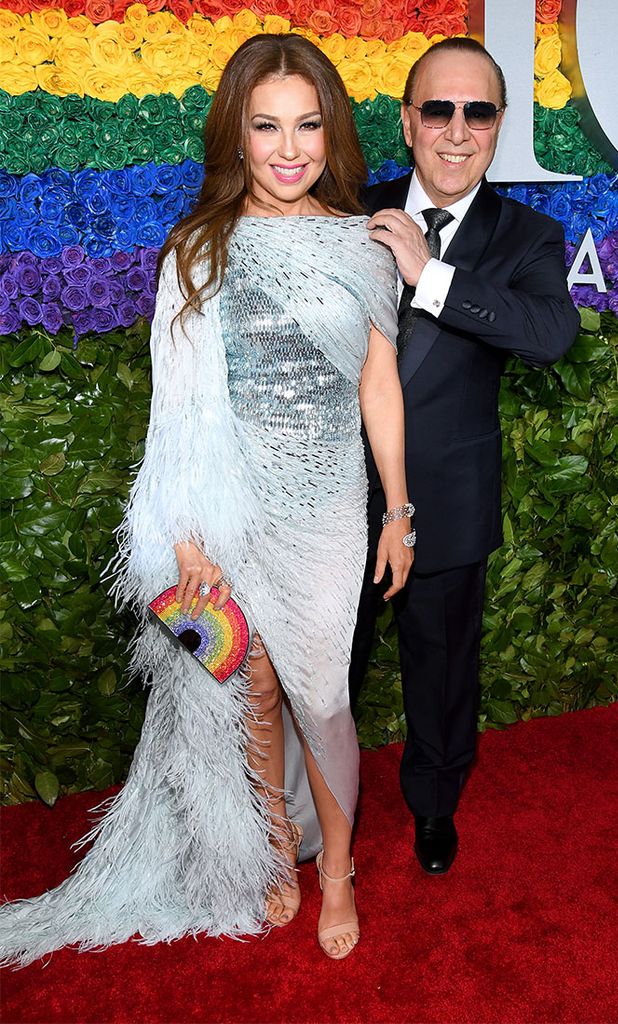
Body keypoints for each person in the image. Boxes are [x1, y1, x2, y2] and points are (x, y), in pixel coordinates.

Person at [0, 33, 413, 966]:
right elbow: (175, 409)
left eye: (307, 124)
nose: (288, 147)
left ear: (332, 133)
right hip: (231, 513)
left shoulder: (364, 248)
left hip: (326, 515)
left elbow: (378, 387)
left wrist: (399, 510)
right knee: (253, 692)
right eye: (265, 126)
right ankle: (277, 850)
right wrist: (184, 535)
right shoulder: (196, 250)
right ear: (235, 137)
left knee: (325, 698)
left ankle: (338, 872)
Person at [349, 38, 580, 876]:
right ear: (408, 121)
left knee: (442, 676)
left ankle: (434, 806)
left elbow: (550, 335)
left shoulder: (528, 235)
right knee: (319, 670)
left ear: (499, 126)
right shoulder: (346, 208)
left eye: (476, 111)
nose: (456, 130)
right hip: (333, 501)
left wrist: (429, 271)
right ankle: (307, 808)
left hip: (446, 500)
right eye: (437, 109)